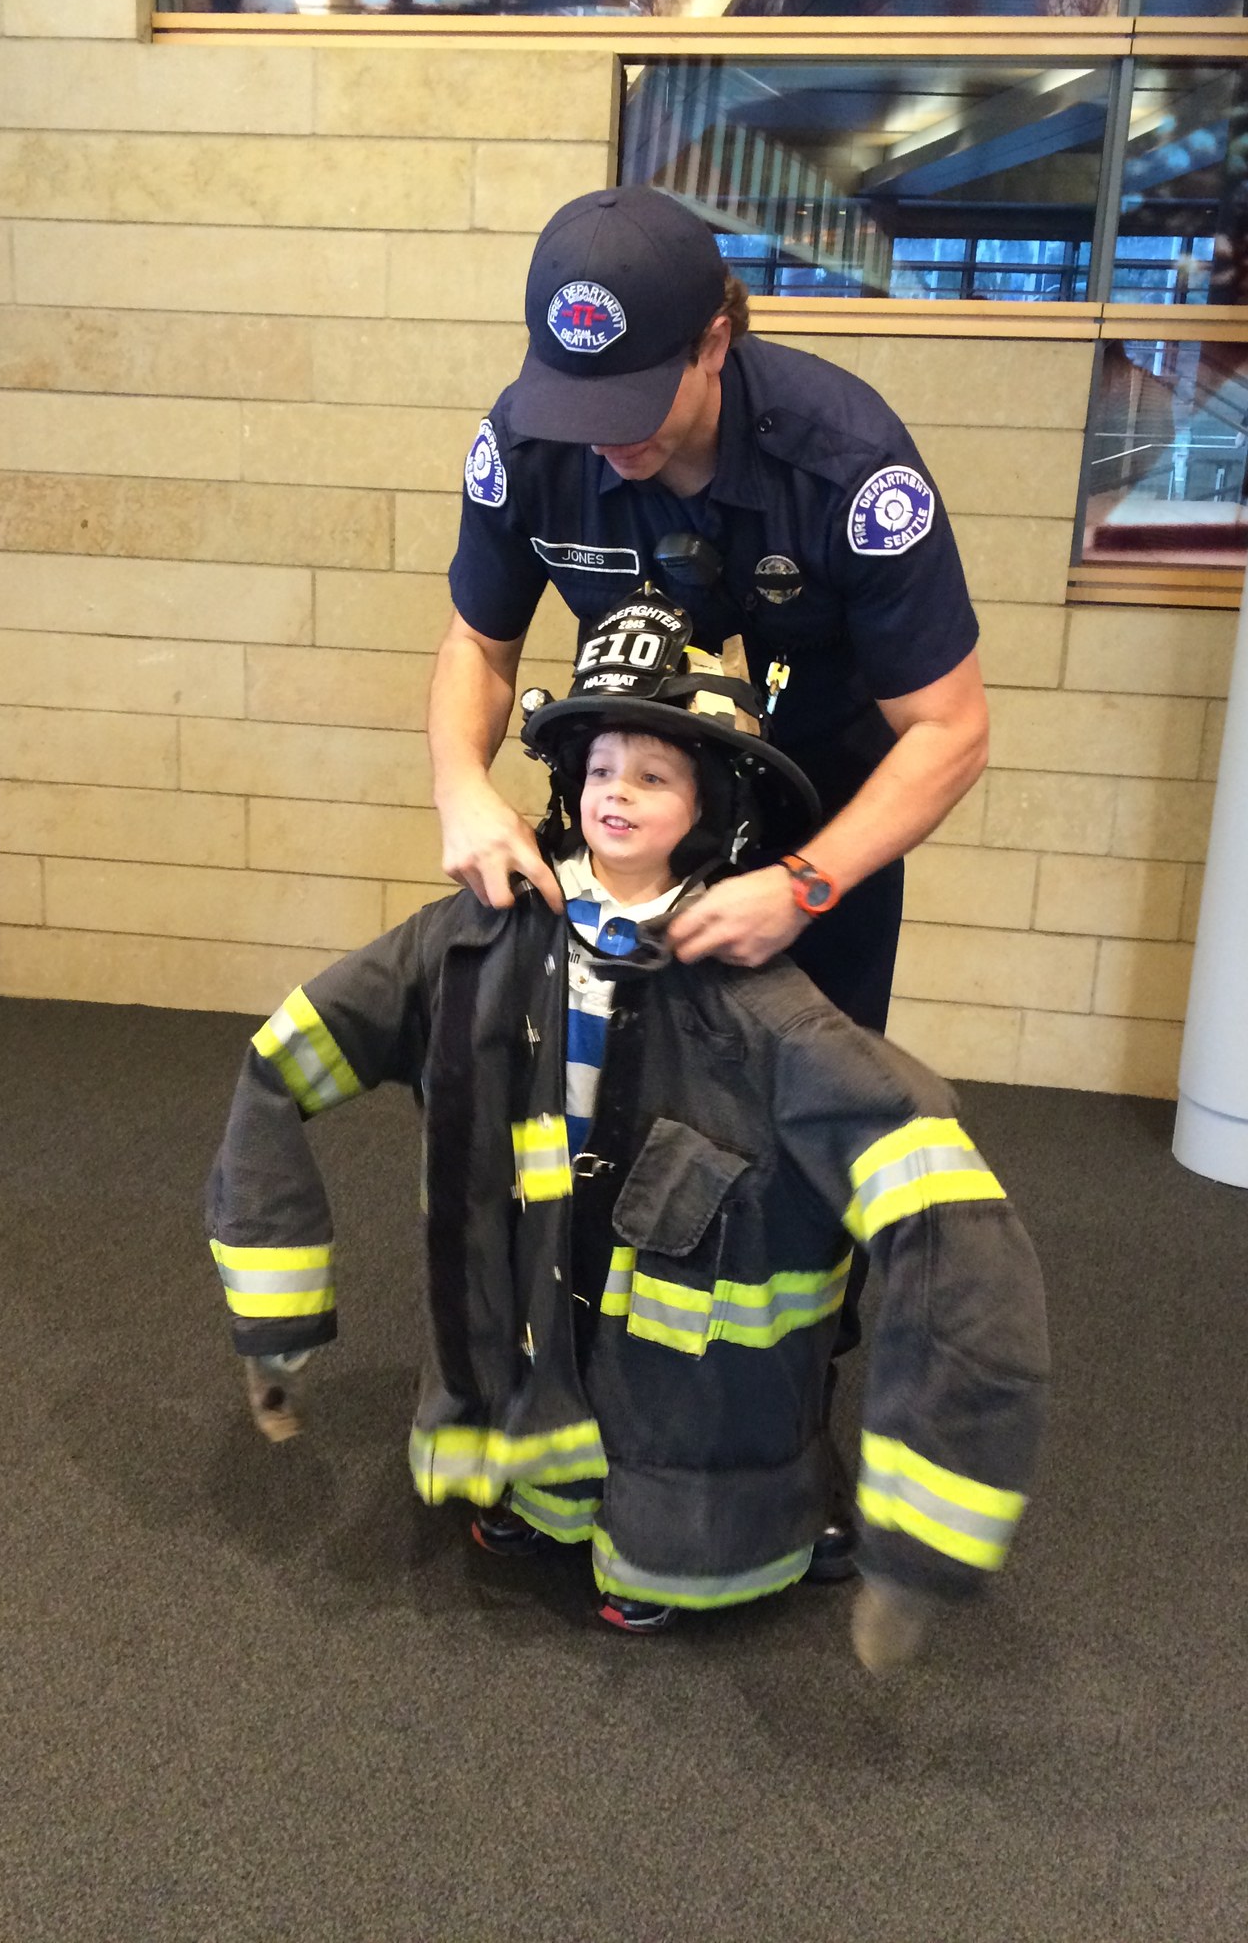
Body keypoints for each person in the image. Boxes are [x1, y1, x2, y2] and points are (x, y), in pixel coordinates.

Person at [204, 594, 1047, 1669]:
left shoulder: (766, 1014)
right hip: (516, 1334)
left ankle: (664, 1555)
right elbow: (282, 1064)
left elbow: (945, 1209)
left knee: (657, 1396)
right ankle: (533, 1496)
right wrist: (274, 1325)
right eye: (600, 769)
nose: (618, 793)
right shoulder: (471, 946)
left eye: (654, 774)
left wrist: (925, 1543)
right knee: (544, 1326)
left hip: (690, 1393)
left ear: (710, 808)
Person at [429, 182, 989, 1035]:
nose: (606, 442)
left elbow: (951, 728)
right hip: (633, 820)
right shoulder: (526, 445)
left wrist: (809, 881)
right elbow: (478, 641)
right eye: (581, 403)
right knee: (605, 1101)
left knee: (808, 1108)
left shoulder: (848, 466)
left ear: (714, 343)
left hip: (820, 824)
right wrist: (461, 785)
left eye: (633, 402)